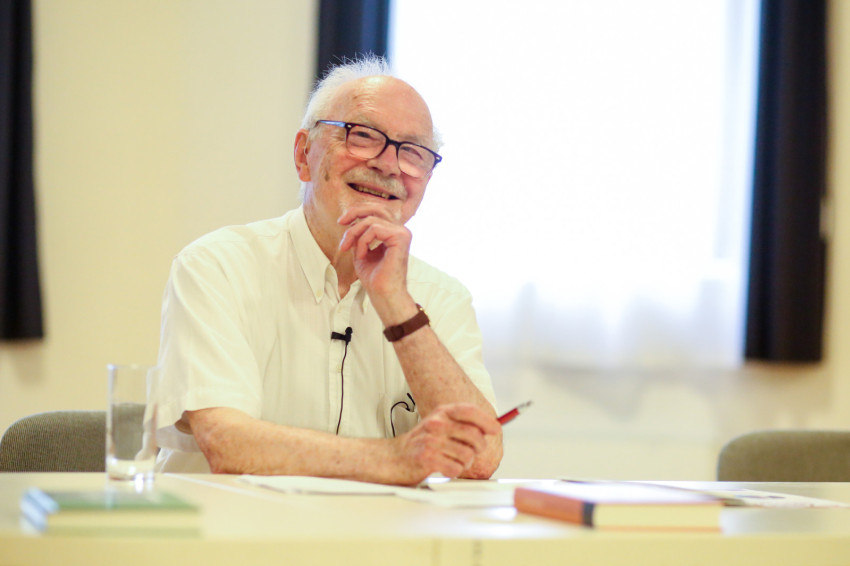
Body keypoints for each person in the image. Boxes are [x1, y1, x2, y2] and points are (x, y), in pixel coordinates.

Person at [153, 56, 503, 485]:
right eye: (363, 136)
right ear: (304, 154)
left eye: (413, 152)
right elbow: (227, 442)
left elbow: (480, 458)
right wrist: (397, 460)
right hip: (231, 526)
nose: (388, 164)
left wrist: (396, 304)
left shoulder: (443, 297)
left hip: (378, 530)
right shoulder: (218, 267)